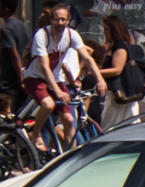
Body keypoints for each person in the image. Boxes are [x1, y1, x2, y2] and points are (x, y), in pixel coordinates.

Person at [22, 4, 107, 153]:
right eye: (56, 20)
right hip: (35, 78)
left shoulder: (71, 34)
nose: (60, 23)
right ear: (51, 20)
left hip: (55, 80)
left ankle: (70, 157)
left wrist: (100, 78)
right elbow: (44, 66)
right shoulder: (42, 35)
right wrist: (58, 91)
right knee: (48, 105)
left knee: (69, 120)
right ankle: (35, 133)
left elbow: (87, 57)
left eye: (63, 19)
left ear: (68, 20)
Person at [97, 14, 140, 128]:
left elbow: (117, 70)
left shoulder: (120, 46)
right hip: (120, 94)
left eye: (106, 29)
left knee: (110, 126)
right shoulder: (116, 46)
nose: (104, 32)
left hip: (120, 94)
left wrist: (95, 72)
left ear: (114, 30)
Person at [0, 0, 30, 113]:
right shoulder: (22, 26)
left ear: (6, 9)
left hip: (11, 83)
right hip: (21, 80)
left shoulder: (5, 29)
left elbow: (14, 56)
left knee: (8, 115)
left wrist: (21, 79)